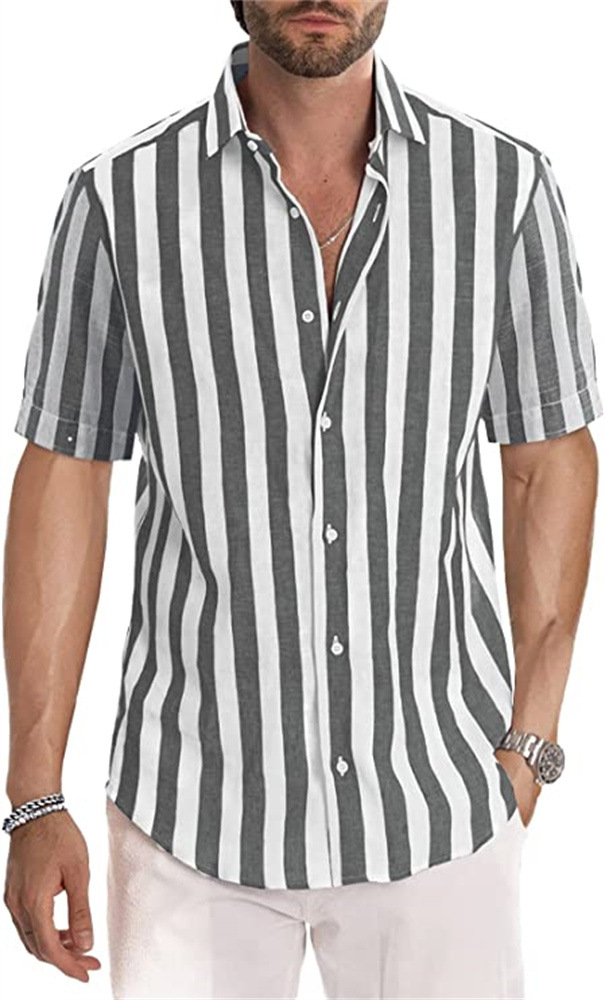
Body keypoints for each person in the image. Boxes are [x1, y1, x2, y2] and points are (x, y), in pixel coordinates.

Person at [2, 1, 601, 997]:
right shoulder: (120, 199)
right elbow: (65, 470)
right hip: (188, 823)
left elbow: (548, 459)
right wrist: (33, 797)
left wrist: (527, 749)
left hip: (439, 811)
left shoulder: (501, 187)